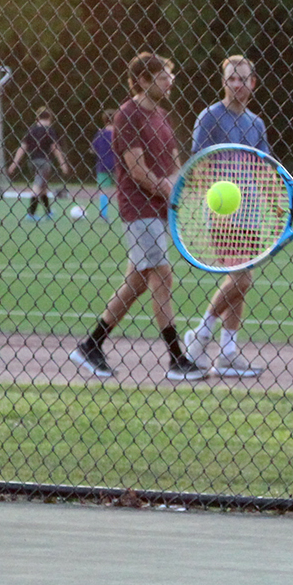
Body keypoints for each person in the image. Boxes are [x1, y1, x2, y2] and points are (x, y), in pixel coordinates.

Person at [67, 52, 200, 382]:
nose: (170, 81)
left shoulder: (162, 116)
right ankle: (176, 359)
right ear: (142, 80)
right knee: (162, 276)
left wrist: (184, 186)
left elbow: (172, 161)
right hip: (139, 207)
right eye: (163, 76)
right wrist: (166, 188)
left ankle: (90, 345)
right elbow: (136, 169)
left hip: (159, 208)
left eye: (170, 75)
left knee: (137, 282)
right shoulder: (128, 116)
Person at [178, 54, 269, 379]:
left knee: (241, 285)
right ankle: (201, 335)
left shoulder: (256, 123)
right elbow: (199, 165)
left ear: (253, 83)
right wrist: (215, 210)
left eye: (243, 78)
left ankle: (228, 353)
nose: (237, 84)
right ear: (223, 81)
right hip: (221, 214)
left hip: (251, 214)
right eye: (231, 78)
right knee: (241, 277)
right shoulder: (210, 118)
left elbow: (263, 169)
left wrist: (273, 202)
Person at [8, 108, 71, 220]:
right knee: (37, 186)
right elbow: (55, 148)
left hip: (32, 161)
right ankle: (31, 213)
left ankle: (48, 212)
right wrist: (63, 164)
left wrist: (14, 163)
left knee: (43, 187)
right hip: (44, 161)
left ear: (37, 118)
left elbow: (23, 147)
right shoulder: (49, 130)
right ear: (49, 118)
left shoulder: (31, 130)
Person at [92, 121, 116, 219]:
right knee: (123, 188)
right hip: (117, 164)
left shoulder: (100, 134)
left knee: (103, 190)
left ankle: (103, 213)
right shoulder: (117, 134)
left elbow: (93, 148)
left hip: (102, 164)